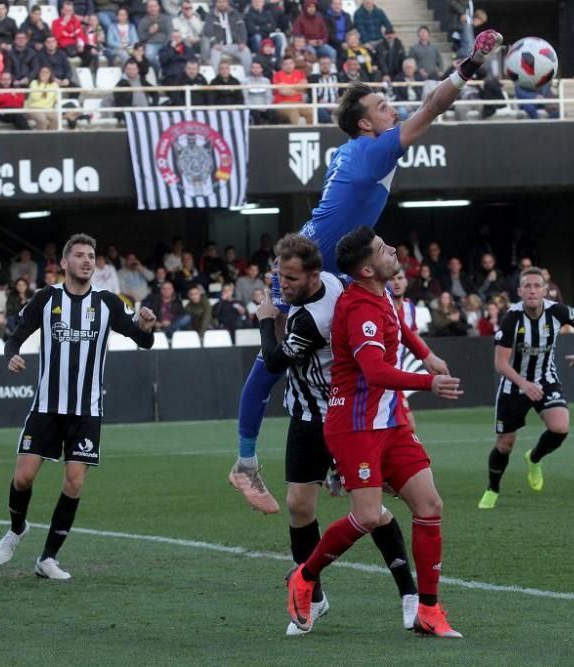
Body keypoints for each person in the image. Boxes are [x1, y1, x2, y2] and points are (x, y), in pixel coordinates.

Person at [228, 28, 504, 515]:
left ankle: (335, 459)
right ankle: (249, 464)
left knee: (336, 357)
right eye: (381, 105)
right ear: (363, 123)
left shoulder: (349, 153)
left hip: (320, 264)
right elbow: (433, 107)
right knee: (277, 363)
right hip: (314, 271)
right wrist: (471, 63)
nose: (391, 108)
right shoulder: (373, 149)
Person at [285, 226, 463, 637]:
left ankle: (428, 611)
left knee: (429, 505)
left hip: (390, 422)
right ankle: (306, 576)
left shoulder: (379, 293)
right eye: (384, 248)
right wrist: (427, 382)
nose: (393, 249)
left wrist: (426, 354)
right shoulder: (359, 308)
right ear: (367, 268)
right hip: (355, 426)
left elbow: (399, 326)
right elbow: (376, 371)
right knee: (367, 515)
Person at [257, 233, 421, 635]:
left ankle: (409, 593)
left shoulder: (316, 318)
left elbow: (274, 360)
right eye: (279, 278)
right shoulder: (333, 284)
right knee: (299, 505)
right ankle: (312, 597)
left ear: (314, 275)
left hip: (345, 415)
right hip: (305, 413)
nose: (283, 287)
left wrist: (265, 317)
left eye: (290, 279)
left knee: (371, 510)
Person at [0, 234, 157, 580]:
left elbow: (142, 341)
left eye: (91, 256)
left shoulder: (108, 302)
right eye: (79, 255)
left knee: (74, 483)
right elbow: (14, 338)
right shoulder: (46, 299)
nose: (86, 260)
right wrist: (13, 356)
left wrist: (146, 327)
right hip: (47, 406)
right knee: (22, 478)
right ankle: (18, 527)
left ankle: (47, 558)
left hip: (87, 410)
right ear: (64, 263)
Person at [478, 268, 574, 509]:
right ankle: (493, 489)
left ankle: (534, 458)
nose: (531, 290)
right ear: (519, 292)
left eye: (536, 286)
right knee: (504, 445)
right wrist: (524, 384)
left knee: (560, 427)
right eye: (527, 286)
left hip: (545, 378)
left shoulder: (556, 311)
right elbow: (500, 364)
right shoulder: (512, 318)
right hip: (514, 384)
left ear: (544, 290)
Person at [26, 65, 60, 131]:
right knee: (42, 120)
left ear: (50, 74)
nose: (44, 74)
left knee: (56, 118)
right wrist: (43, 84)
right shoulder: (34, 83)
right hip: (33, 108)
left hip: (48, 109)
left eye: (46, 72)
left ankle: (52, 138)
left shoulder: (54, 85)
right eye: (42, 72)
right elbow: (34, 97)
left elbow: (57, 99)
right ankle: (41, 139)